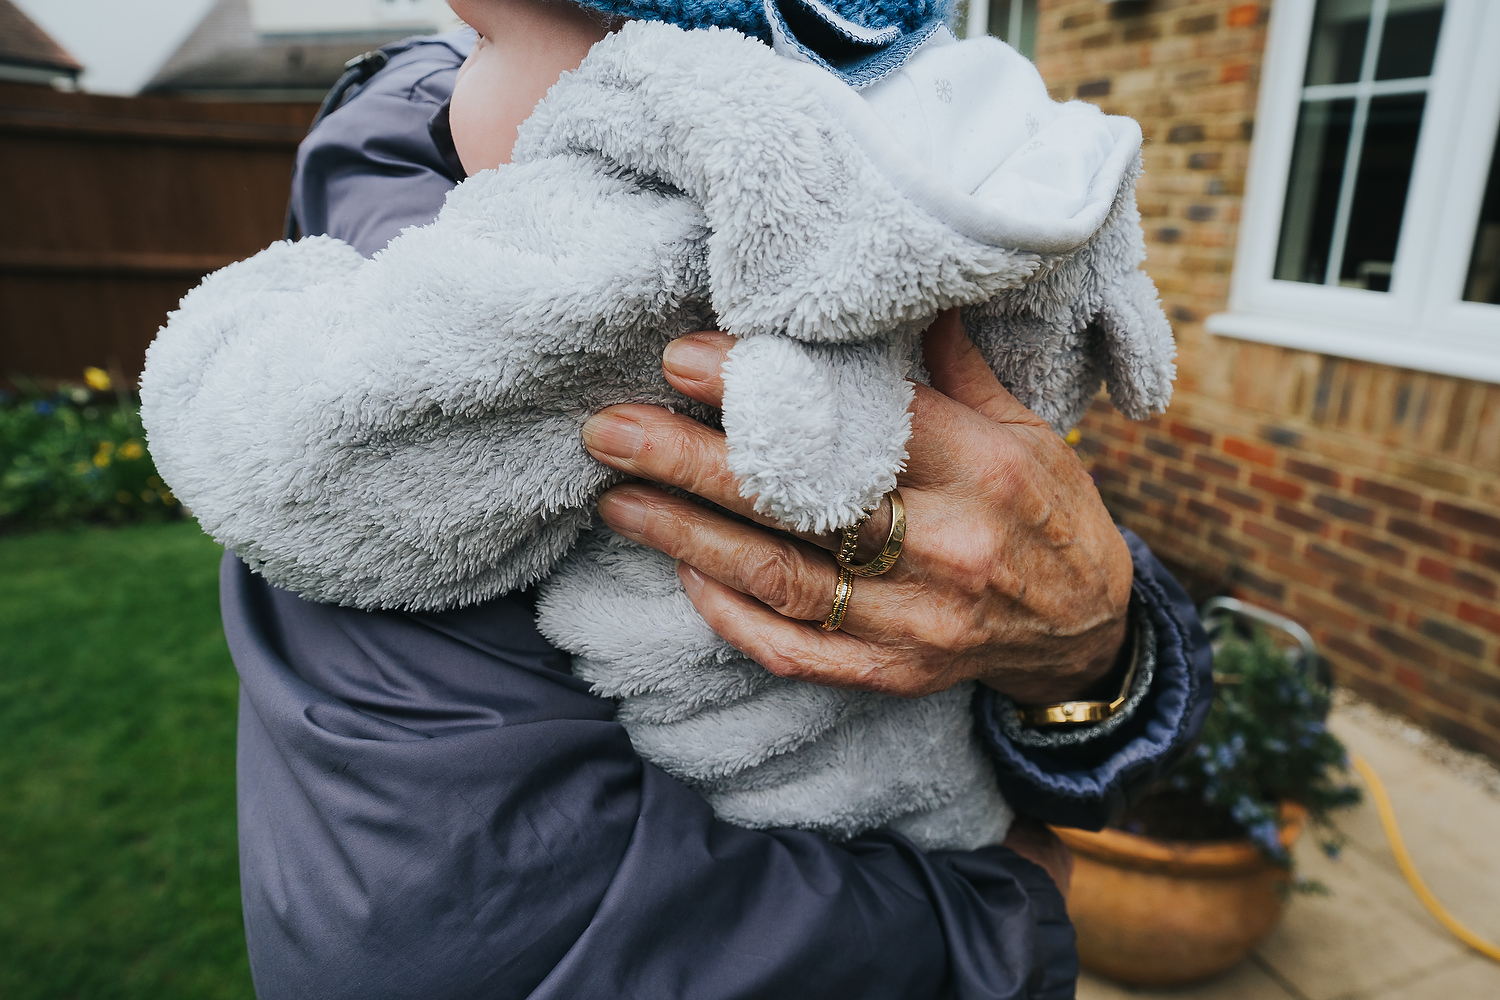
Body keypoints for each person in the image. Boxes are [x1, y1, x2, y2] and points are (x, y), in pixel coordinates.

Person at [205, 4, 1212, 998]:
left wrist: (1099, 648)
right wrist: (999, 926)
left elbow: (1074, 631)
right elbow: (454, 939)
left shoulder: (900, 259)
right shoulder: (440, 322)